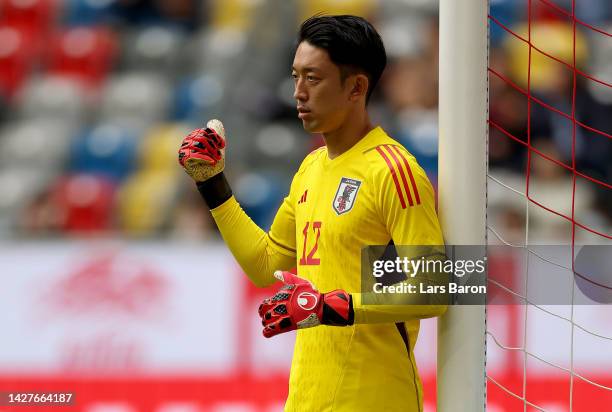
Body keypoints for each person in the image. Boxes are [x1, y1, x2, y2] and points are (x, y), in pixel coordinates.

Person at [178, 15, 446, 412]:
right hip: (307, 399)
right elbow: (265, 265)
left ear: (356, 87)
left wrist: (332, 306)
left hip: (374, 400)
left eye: (313, 79)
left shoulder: (393, 170)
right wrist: (212, 184)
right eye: (295, 76)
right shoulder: (311, 168)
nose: (298, 93)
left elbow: (433, 287)